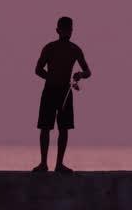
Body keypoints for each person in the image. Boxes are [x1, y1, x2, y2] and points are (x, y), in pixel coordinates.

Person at [34, 16, 92, 173]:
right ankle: (43, 163)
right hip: (50, 90)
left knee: (64, 128)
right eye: (64, 29)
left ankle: (59, 164)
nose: (67, 32)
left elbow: (88, 71)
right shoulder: (49, 48)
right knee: (45, 127)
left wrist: (80, 74)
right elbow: (38, 70)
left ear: (72, 31)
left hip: (65, 92)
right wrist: (51, 77)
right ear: (58, 30)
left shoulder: (75, 50)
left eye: (69, 29)